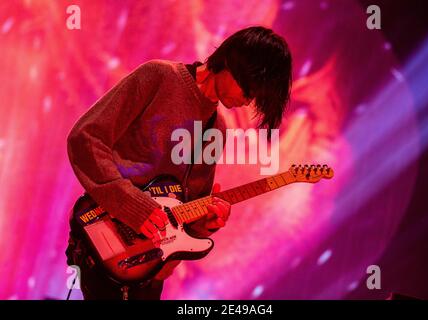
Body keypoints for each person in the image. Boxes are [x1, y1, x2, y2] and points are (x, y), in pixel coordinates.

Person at [65, 26, 292, 300]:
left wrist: (205, 223)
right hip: (104, 237)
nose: (248, 100)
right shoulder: (158, 77)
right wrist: (133, 206)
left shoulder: (216, 129)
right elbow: (86, 138)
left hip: (149, 264)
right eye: (249, 88)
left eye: (255, 97)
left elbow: (188, 207)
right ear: (231, 62)